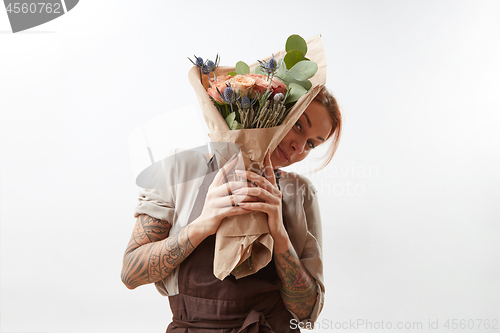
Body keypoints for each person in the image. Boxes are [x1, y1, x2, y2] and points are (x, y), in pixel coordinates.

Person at [121, 87, 342, 332]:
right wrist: (203, 224)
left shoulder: (300, 192)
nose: (298, 148)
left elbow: (306, 311)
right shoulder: (177, 171)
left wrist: (279, 234)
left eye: (311, 144)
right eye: (298, 126)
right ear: (270, 111)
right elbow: (131, 274)